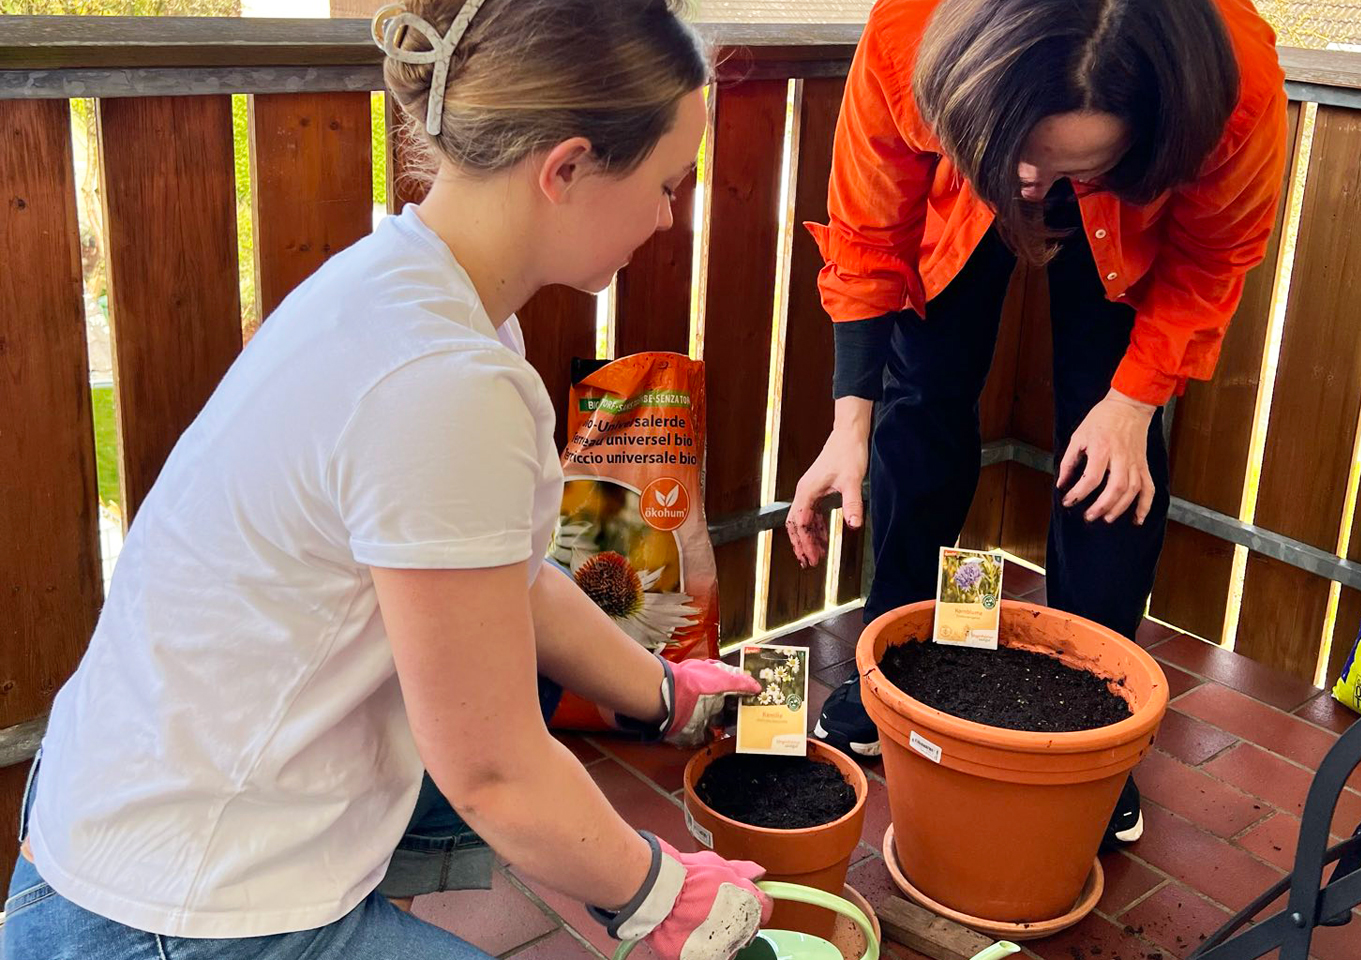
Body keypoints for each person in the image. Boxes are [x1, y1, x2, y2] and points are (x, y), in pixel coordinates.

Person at [3, 2, 773, 958]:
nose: (669, 214)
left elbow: (505, 582)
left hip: (125, 814)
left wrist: (664, 691)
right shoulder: (444, 384)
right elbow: (492, 770)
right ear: (566, 169)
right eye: (668, 182)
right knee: (511, 742)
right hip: (167, 909)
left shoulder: (409, 289)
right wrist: (663, 894)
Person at [786, 0, 1288, 846]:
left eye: (1064, 165)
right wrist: (847, 423)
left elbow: (1212, 259)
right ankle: (890, 664)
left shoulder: (1229, 82)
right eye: (1024, 159)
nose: (1034, 190)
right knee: (922, 395)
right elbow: (870, 235)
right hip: (961, 174)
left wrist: (1132, 406)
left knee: (1115, 454)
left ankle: (1099, 728)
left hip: (1133, 218)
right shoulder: (912, 31)